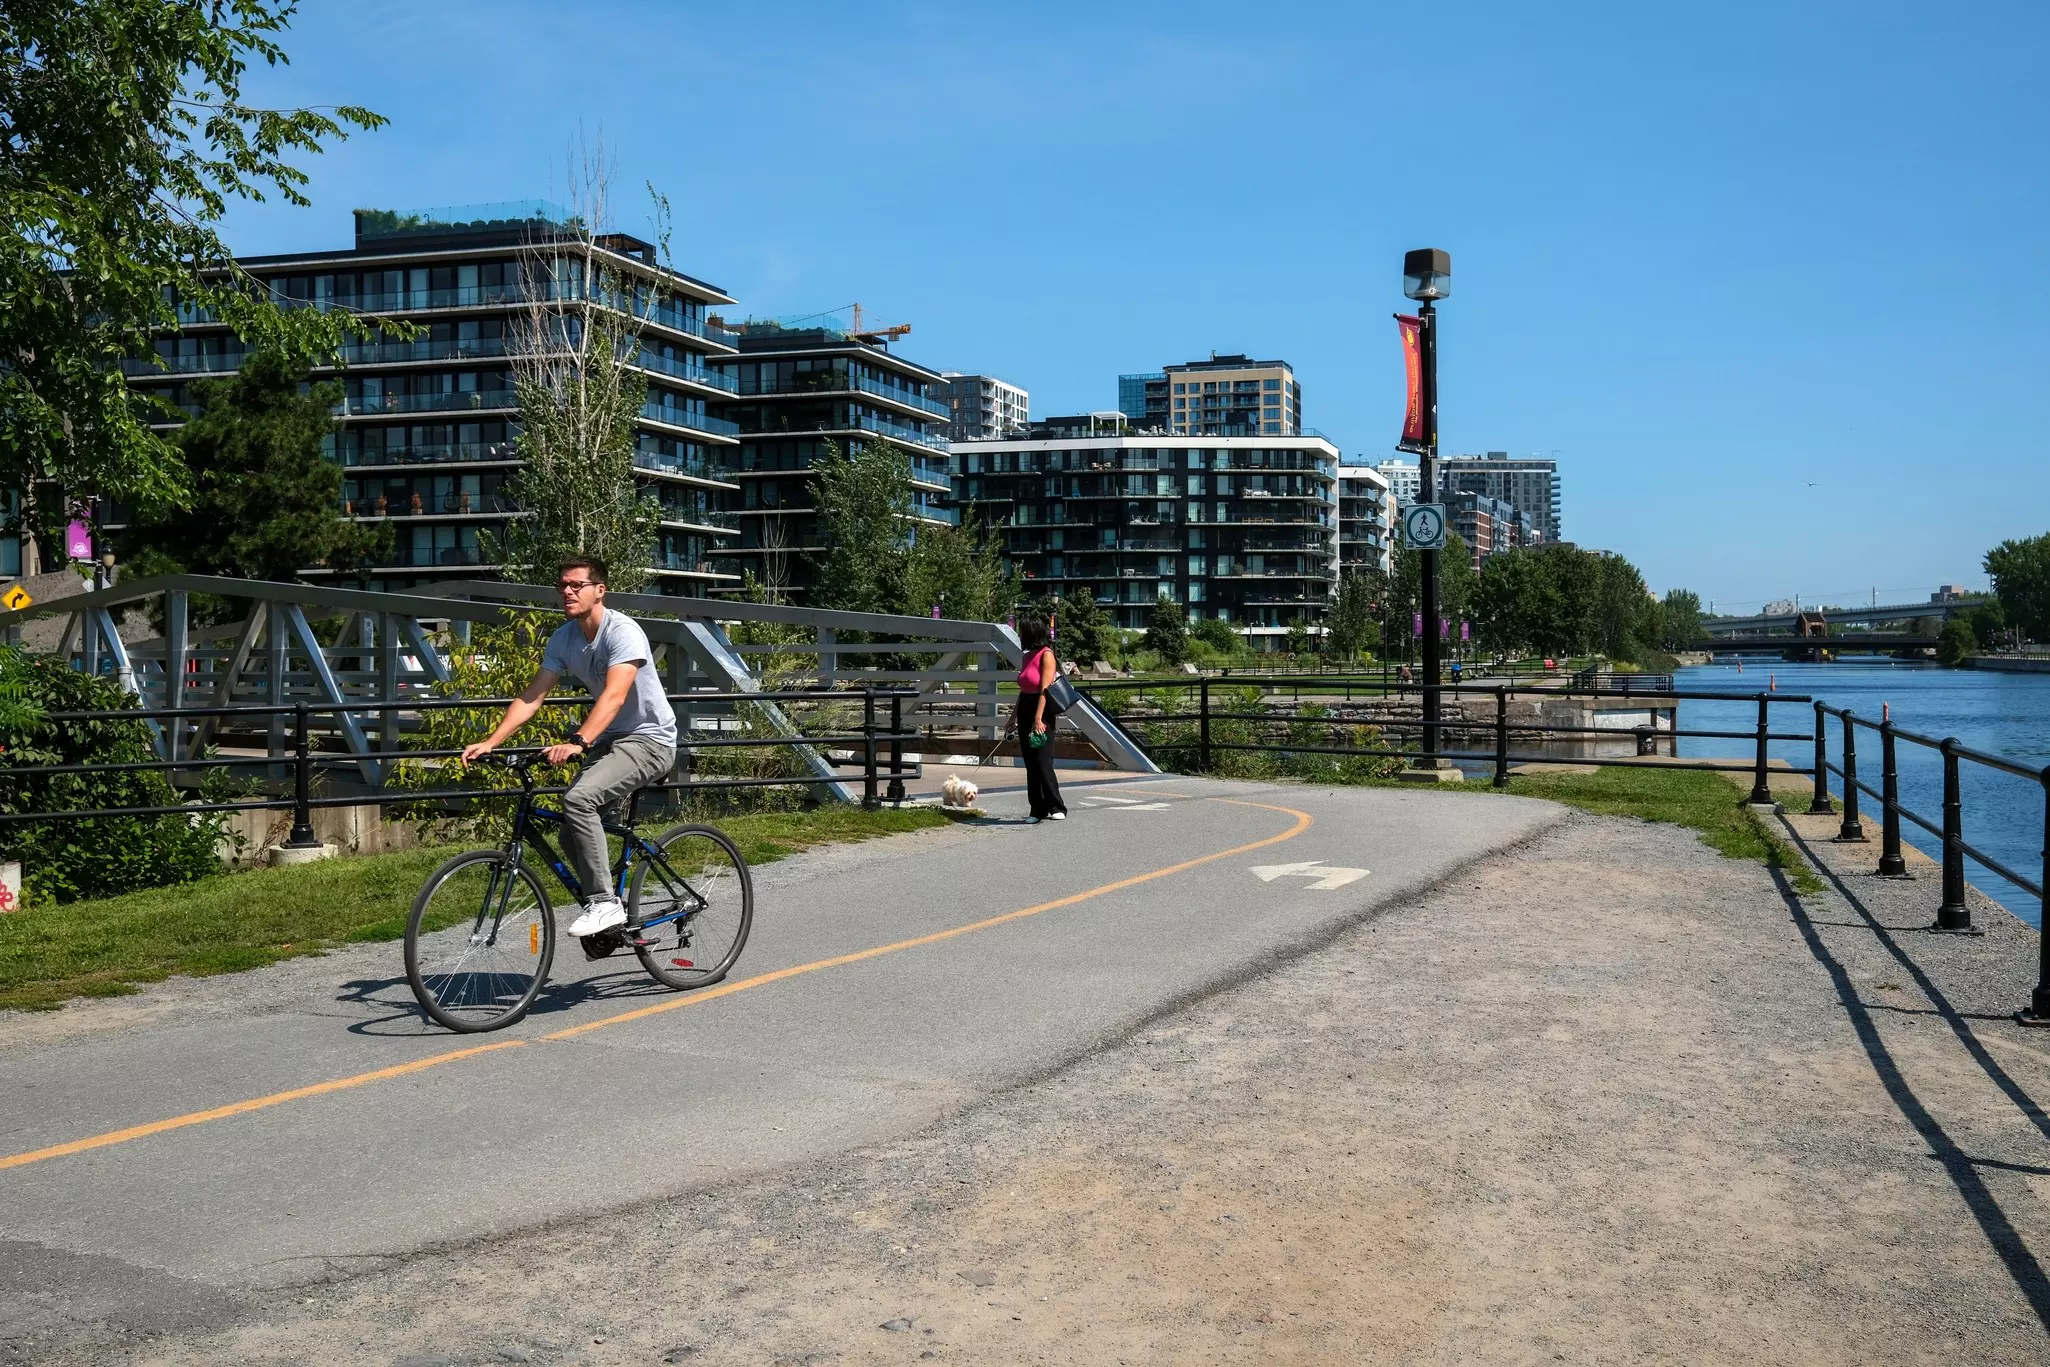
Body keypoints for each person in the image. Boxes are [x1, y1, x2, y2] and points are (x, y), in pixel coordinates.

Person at [460, 554, 678, 936]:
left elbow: (613, 695)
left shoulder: (622, 632)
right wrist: (492, 741)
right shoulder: (564, 638)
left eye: (576, 585)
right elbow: (534, 695)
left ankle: (604, 904)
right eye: (562, 585)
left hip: (650, 740)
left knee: (578, 800)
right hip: (611, 742)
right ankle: (612, 906)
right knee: (567, 830)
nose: (567, 591)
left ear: (599, 590)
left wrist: (578, 741)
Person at [1014, 615, 1067, 824]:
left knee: (1043, 760)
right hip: (1025, 707)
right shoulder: (1027, 656)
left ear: (1030, 633)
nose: (1019, 634)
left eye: (1022, 630)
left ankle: (1056, 805)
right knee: (1030, 762)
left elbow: (1045, 689)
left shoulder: (1047, 655)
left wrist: (1038, 718)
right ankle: (1037, 808)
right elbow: (1023, 689)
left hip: (1041, 710)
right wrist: (1012, 717)